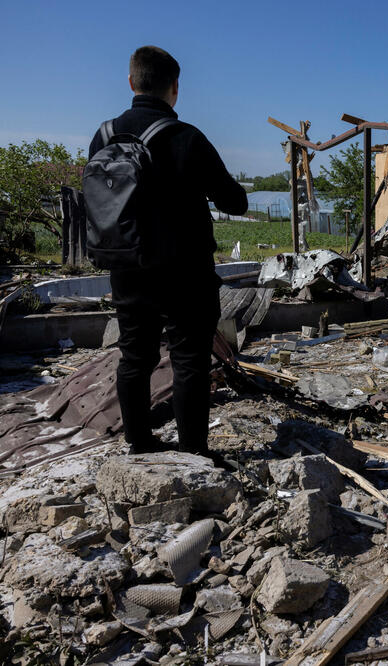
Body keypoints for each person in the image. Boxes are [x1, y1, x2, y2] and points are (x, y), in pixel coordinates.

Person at [88, 45, 248, 461]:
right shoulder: (185, 138)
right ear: (175, 88)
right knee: (189, 360)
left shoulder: (103, 136)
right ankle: (193, 452)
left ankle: (139, 443)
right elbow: (236, 203)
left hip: (127, 267)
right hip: (185, 272)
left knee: (134, 356)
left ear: (130, 82)